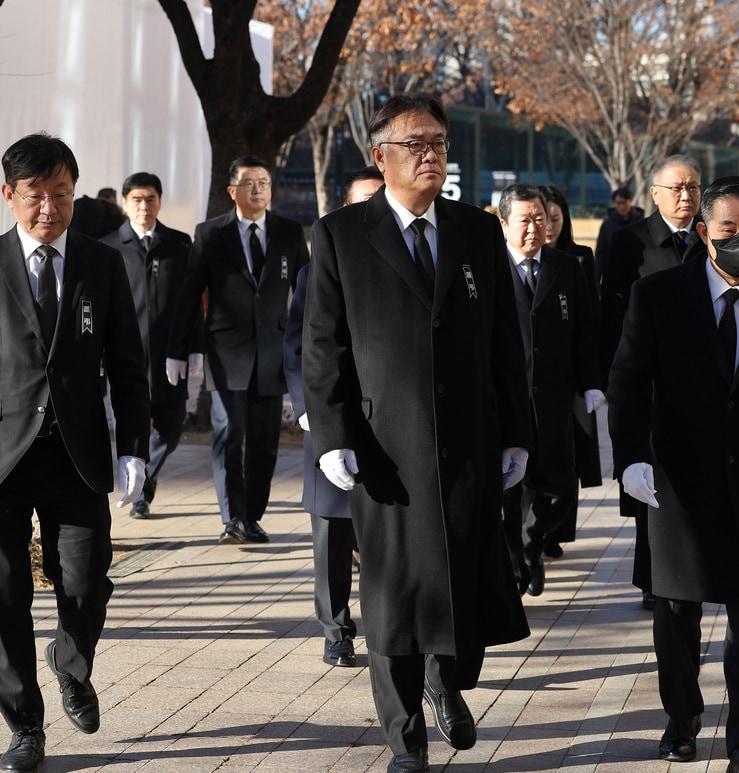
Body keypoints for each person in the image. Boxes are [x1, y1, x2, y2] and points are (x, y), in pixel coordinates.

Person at [303, 93, 532, 773]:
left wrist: (516, 430)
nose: (431, 155)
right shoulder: (341, 235)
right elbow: (323, 344)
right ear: (382, 156)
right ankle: (405, 738)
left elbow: (503, 342)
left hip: (468, 443)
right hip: (384, 447)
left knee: (462, 575)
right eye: (416, 144)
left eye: (439, 142)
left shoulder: (476, 231)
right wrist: (334, 434)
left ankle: (445, 676)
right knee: (394, 592)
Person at [0, 132, 150, 772]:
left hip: (77, 458)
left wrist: (135, 450)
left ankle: (70, 662)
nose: (50, 209)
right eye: (36, 197)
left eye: (61, 195)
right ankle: (24, 728)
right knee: (2, 597)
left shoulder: (102, 263)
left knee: (88, 584)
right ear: (9, 195)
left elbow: (128, 363)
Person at [609, 176, 739, 773]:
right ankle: (682, 717)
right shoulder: (658, 296)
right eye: (729, 230)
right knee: (677, 613)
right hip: (676, 482)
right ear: (704, 233)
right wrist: (630, 459)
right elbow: (628, 383)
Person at [167, 156, 309, 545]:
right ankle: (232, 519)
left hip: (272, 356)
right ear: (233, 191)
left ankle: (253, 516)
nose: (259, 189)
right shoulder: (211, 234)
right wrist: (177, 350)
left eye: (264, 182)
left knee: (264, 441)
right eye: (250, 183)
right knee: (229, 432)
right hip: (226, 352)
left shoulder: (289, 232)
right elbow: (189, 293)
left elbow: (309, 293)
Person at [283, 166, 382, 670]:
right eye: (362, 201)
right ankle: (336, 630)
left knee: (382, 535)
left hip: (385, 425)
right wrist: (306, 409)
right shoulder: (313, 270)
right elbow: (297, 350)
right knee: (331, 535)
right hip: (329, 420)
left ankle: (388, 627)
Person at [600, 154, 705, 610]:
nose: (686, 197)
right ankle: (654, 578)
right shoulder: (631, 242)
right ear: (655, 194)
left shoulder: (711, 238)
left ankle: (693, 568)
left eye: (694, 188)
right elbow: (611, 313)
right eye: (677, 189)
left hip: (702, 384)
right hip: (648, 383)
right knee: (649, 484)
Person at [498, 184, 601, 595]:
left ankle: (531, 544)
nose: (534, 228)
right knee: (507, 494)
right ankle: (516, 567)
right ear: (504, 223)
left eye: (540, 219)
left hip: (555, 398)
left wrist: (592, 383)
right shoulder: (488, 268)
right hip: (505, 399)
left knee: (559, 488)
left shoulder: (566, 266)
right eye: (524, 220)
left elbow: (586, 330)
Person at [100, 172, 199, 518]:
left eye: (151, 199)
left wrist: (193, 347)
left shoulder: (179, 244)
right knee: (136, 426)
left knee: (172, 428)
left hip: (170, 355)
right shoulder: (108, 247)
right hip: (126, 357)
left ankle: (149, 472)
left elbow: (191, 301)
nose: (144, 206)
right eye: (137, 200)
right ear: (125, 203)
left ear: (160, 201)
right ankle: (139, 493)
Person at [540, 184, 602, 556]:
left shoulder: (578, 258)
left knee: (570, 458)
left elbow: (588, 318)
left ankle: (558, 529)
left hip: (570, 376)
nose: (547, 226)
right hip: (538, 377)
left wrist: (592, 379)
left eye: (554, 219)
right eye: (541, 218)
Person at [594, 185, 644, 260]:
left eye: (624, 203)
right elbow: (600, 251)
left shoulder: (640, 222)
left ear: (630, 201)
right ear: (614, 203)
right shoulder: (608, 224)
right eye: (618, 203)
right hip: (612, 267)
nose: (622, 207)